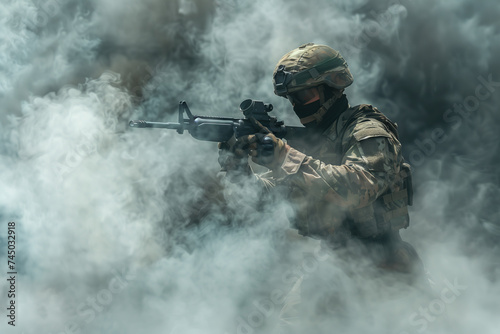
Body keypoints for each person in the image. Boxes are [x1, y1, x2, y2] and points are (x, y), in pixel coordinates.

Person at [218, 42, 422, 276]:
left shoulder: (366, 130)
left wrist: (282, 156)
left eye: (304, 95)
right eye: (291, 98)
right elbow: (270, 200)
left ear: (332, 87)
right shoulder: (313, 145)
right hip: (332, 263)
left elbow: (357, 189)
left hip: (383, 264)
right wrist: (239, 170)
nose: (297, 105)